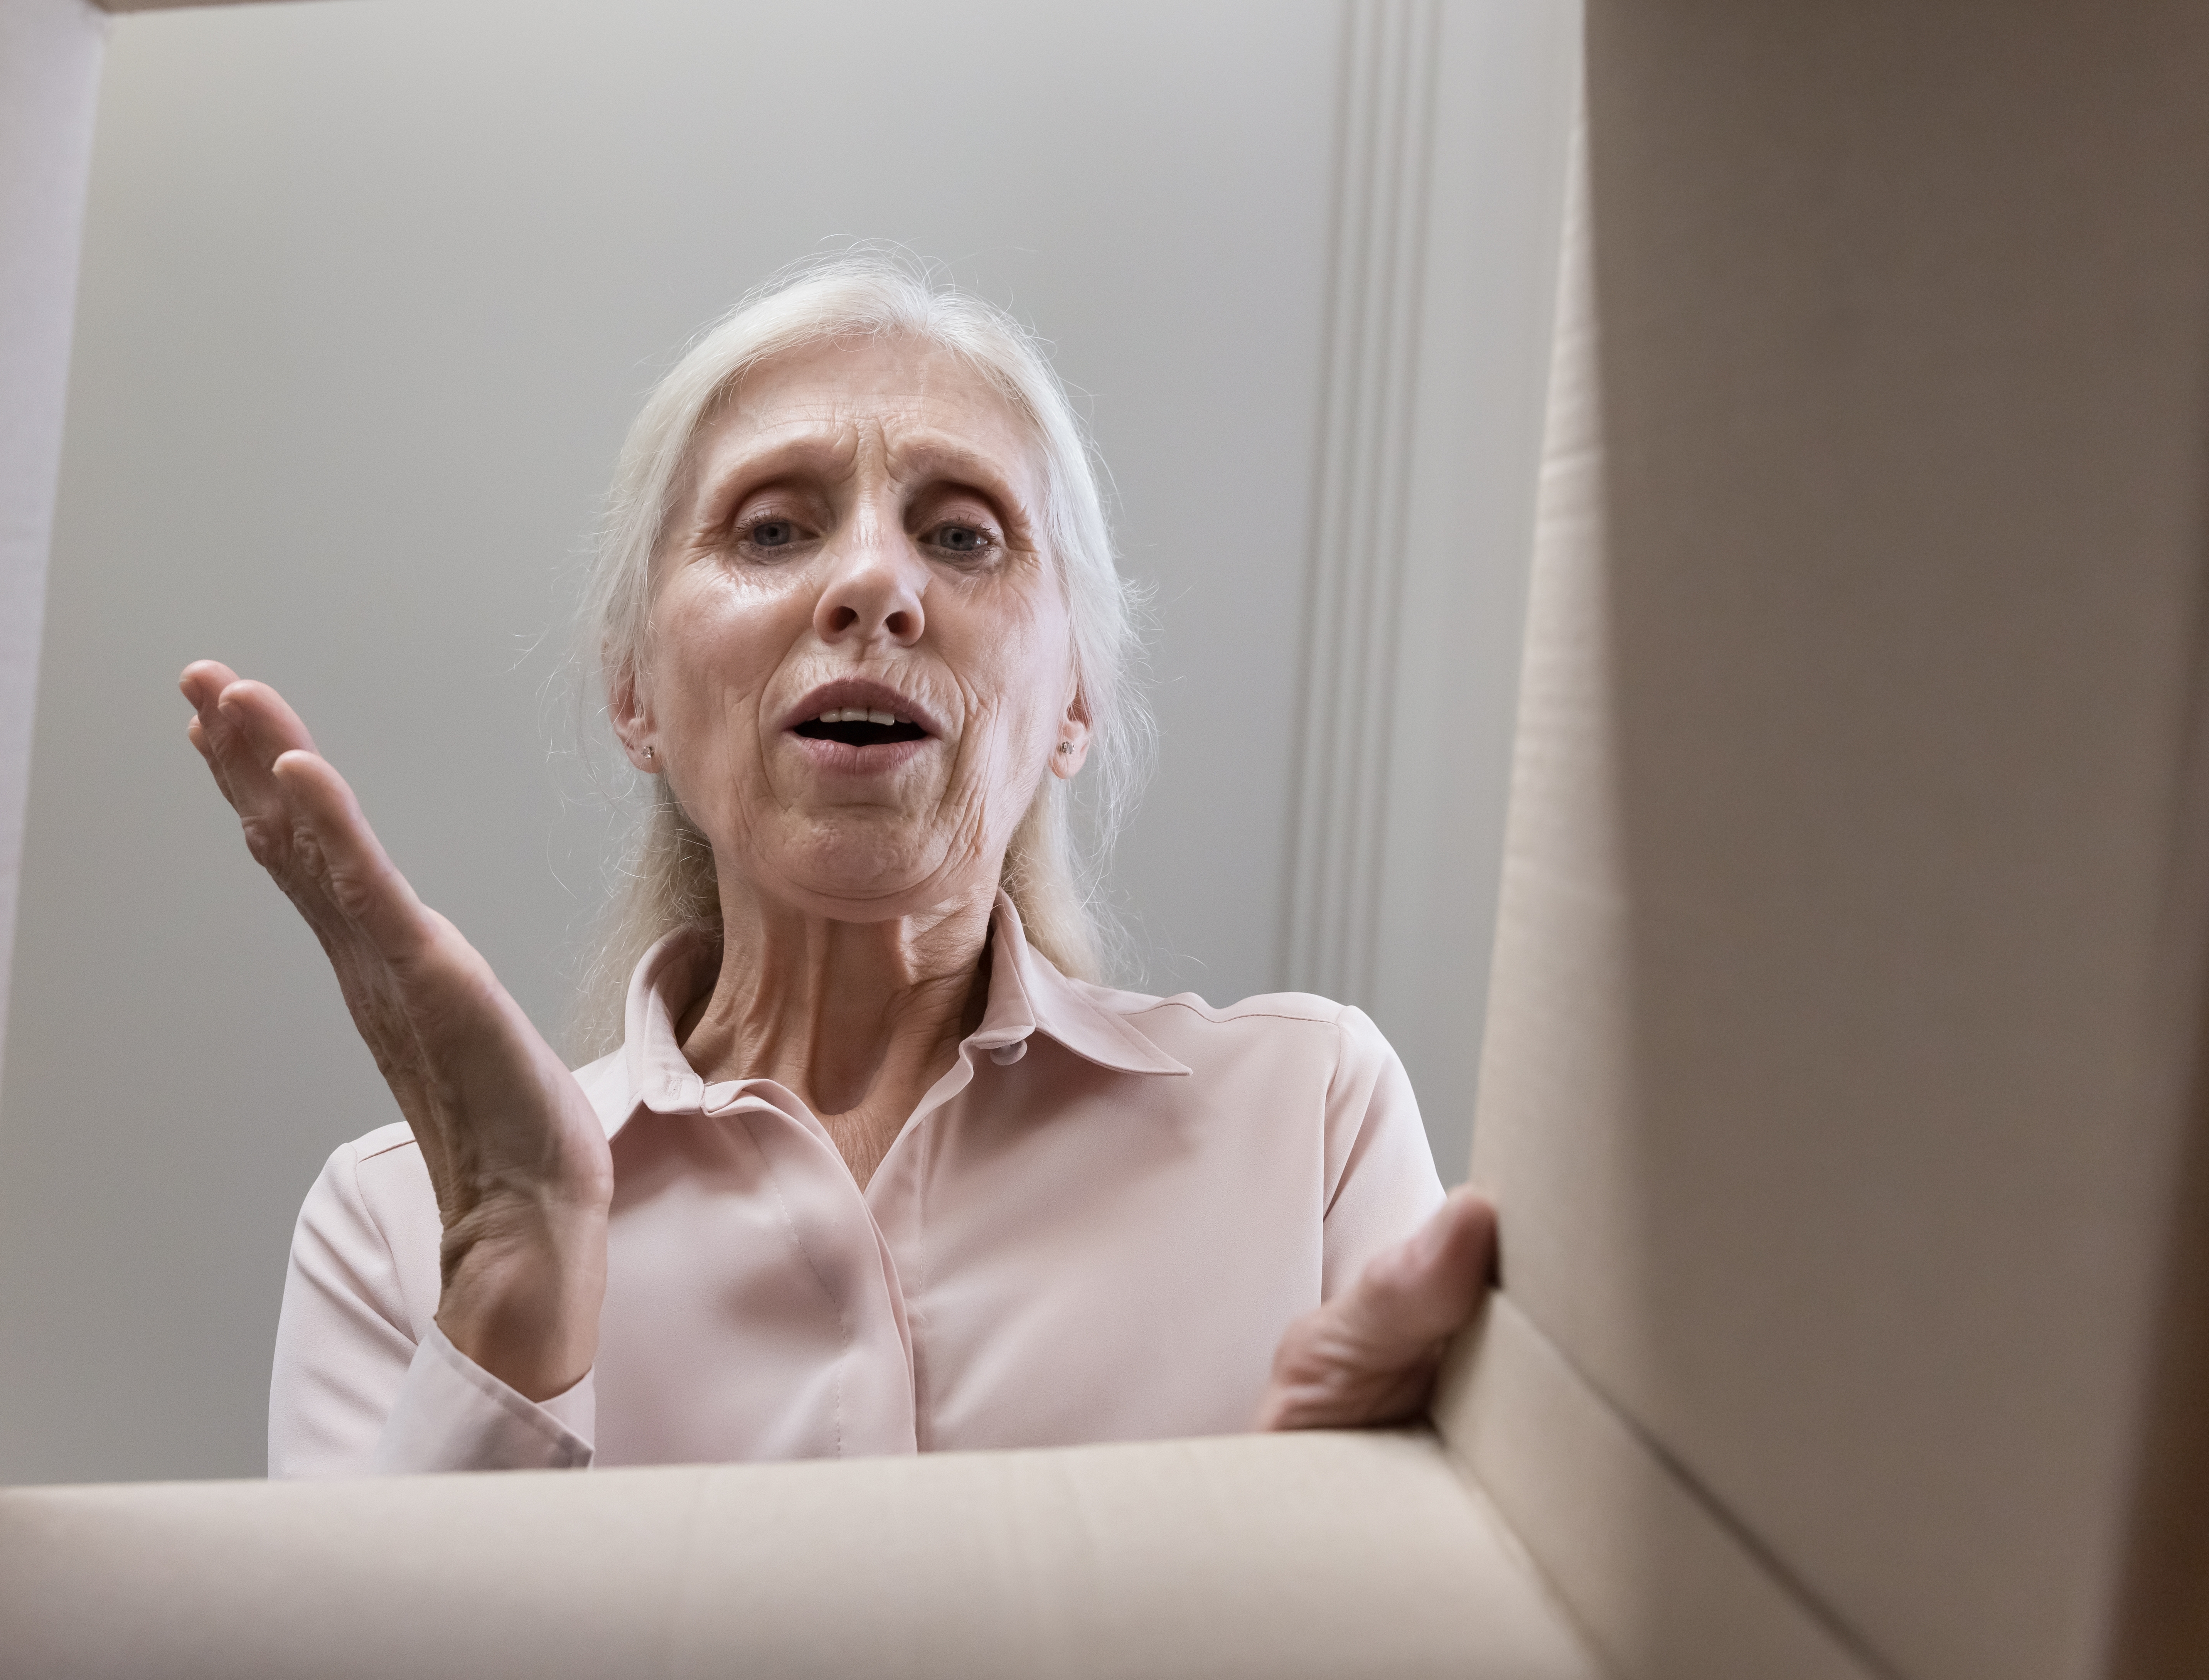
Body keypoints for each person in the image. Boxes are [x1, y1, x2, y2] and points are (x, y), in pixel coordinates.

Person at [182, 254, 1498, 1476]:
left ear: (1077, 699)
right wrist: (513, 1280)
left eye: (964, 534)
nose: (873, 584)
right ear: (634, 692)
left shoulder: (1309, 1120)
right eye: (770, 532)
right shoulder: (400, 1227)